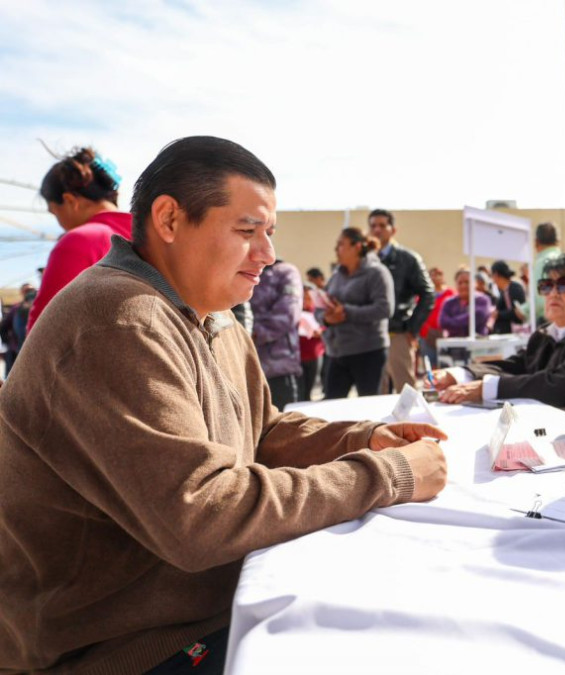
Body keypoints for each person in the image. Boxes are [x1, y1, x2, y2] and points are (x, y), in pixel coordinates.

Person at [0, 136, 447, 674]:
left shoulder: (213, 315)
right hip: (122, 647)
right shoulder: (118, 318)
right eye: (246, 231)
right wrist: (388, 474)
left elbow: (263, 432)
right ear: (168, 219)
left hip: (200, 607)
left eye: (270, 233)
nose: (268, 254)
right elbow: (202, 514)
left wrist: (362, 438)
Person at [435, 255, 565, 409]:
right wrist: (462, 374)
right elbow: (518, 365)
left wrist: (487, 388)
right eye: (547, 285)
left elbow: (561, 385)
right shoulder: (545, 333)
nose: (553, 293)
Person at [28, 146, 132, 332]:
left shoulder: (80, 241)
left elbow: (42, 332)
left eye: (55, 212)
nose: (59, 223)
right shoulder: (152, 236)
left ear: (70, 201)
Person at [318, 226, 395, 399]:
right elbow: (320, 307)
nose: (336, 249)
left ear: (357, 247)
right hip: (336, 352)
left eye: (341, 245)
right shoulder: (337, 275)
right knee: (331, 406)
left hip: (368, 353)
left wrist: (346, 312)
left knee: (370, 406)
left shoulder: (377, 273)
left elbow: (384, 308)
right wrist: (327, 318)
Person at [369, 209, 434, 392]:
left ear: (393, 230)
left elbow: (428, 293)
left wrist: (412, 329)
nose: (377, 230)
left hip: (398, 335)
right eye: (373, 226)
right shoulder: (365, 260)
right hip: (371, 337)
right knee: (374, 394)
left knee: (405, 392)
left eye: (382, 225)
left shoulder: (408, 259)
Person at [250, 260, 303, 410]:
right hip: (246, 372)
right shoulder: (241, 271)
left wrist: (251, 334)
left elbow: (288, 315)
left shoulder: (285, 272)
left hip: (278, 371)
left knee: (286, 429)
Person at [438, 268, 494, 338]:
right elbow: (443, 322)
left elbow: (476, 318)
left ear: (475, 283)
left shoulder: (483, 300)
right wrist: (466, 319)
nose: (463, 286)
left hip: (477, 345)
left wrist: (452, 321)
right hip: (454, 345)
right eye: (460, 283)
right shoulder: (449, 302)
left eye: (467, 282)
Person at [419, 266, 456, 369]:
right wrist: (425, 330)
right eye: (433, 275)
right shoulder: (425, 294)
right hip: (427, 335)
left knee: (446, 365)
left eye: (439, 274)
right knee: (430, 366)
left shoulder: (450, 294)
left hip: (446, 335)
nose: (436, 277)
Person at [298, 286, 326, 402]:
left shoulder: (318, 311)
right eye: (303, 297)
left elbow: (327, 325)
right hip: (299, 355)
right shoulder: (294, 311)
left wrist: (320, 331)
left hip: (315, 353)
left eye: (308, 297)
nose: (305, 300)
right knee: (301, 389)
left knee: (311, 385)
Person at [532, 222, 563, 324]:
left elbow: (539, 299)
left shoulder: (542, 263)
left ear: (536, 242)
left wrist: (524, 311)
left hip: (547, 321)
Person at [0, 284, 34, 375]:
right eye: (26, 290)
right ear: (22, 293)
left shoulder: (40, 306)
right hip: (16, 352)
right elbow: (3, 327)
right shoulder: (16, 309)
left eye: (31, 290)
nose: (29, 293)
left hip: (34, 351)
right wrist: (8, 343)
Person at [490, 259, 528, 334]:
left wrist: (499, 314)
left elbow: (519, 311)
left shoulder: (515, 288)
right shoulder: (503, 290)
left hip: (513, 335)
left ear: (496, 274)